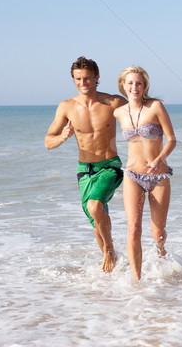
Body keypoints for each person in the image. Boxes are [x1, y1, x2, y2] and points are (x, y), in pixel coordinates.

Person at [45, 56, 127, 273]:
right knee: (96, 223)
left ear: (96, 77)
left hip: (110, 166)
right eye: (78, 79)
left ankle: (110, 250)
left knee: (94, 206)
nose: (83, 83)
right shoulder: (66, 107)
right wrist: (62, 137)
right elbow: (47, 142)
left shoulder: (113, 102)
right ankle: (113, 271)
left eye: (87, 78)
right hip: (84, 170)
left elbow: (141, 114)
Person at [113, 66, 176, 281]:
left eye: (138, 83)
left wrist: (159, 160)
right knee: (133, 228)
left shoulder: (155, 107)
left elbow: (172, 139)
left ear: (144, 86)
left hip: (158, 177)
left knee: (158, 233)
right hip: (132, 176)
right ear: (123, 85)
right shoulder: (118, 112)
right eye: (130, 83)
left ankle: (161, 253)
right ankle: (137, 279)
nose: (134, 87)